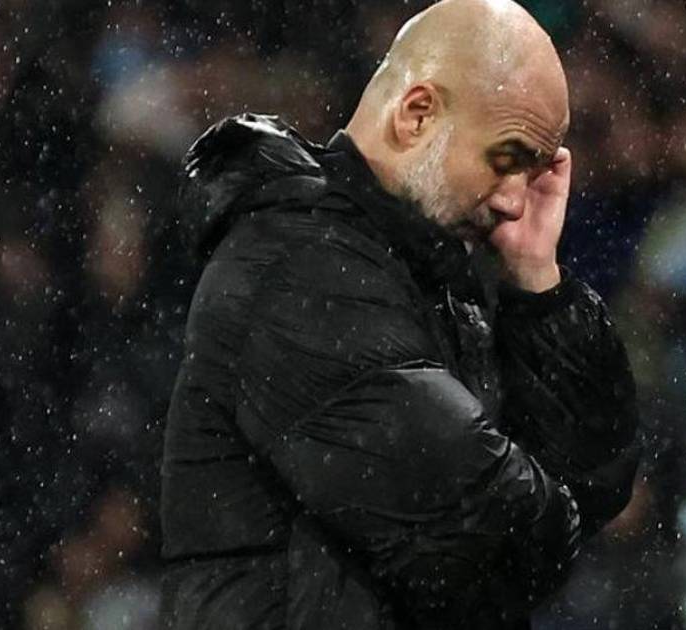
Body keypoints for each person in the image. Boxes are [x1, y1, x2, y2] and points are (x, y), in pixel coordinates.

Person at [157, 1, 641, 628]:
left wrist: (538, 286)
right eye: (507, 160)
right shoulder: (300, 268)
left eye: (531, 173)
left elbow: (596, 485)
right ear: (416, 115)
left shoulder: (431, 276)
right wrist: (549, 512)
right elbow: (492, 541)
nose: (517, 204)